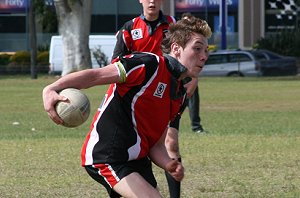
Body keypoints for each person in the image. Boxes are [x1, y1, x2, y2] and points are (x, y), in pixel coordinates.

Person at [42, 15, 211, 197]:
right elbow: (95, 76)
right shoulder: (147, 64)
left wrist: (169, 164)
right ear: (176, 48)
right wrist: (52, 88)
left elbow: (156, 145)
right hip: (109, 156)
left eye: (206, 51)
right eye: (197, 49)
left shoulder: (179, 93)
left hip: (137, 160)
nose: (203, 57)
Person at [111, 1, 204, 196]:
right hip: (141, 97)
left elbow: (192, 51)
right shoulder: (129, 28)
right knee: (136, 144)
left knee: (170, 143)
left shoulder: (172, 25)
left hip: (169, 93)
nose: (152, 1)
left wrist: (192, 80)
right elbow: (117, 63)